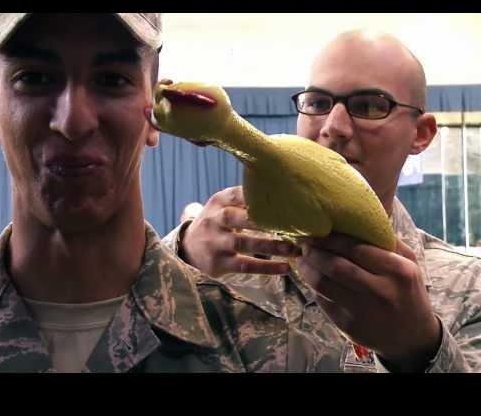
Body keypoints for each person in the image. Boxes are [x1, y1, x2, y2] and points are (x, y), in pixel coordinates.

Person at [0, 13, 318, 373]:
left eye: (111, 80)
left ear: (156, 109)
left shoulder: (274, 355)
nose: (73, 121)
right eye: (35, 77)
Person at [163, 30, 481, 372]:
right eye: (317, 103)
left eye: (370, 106)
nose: (333, 127)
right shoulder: (218, 257)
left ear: (420, 134)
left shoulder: (469, 288)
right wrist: (176, 264)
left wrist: (417, 348)